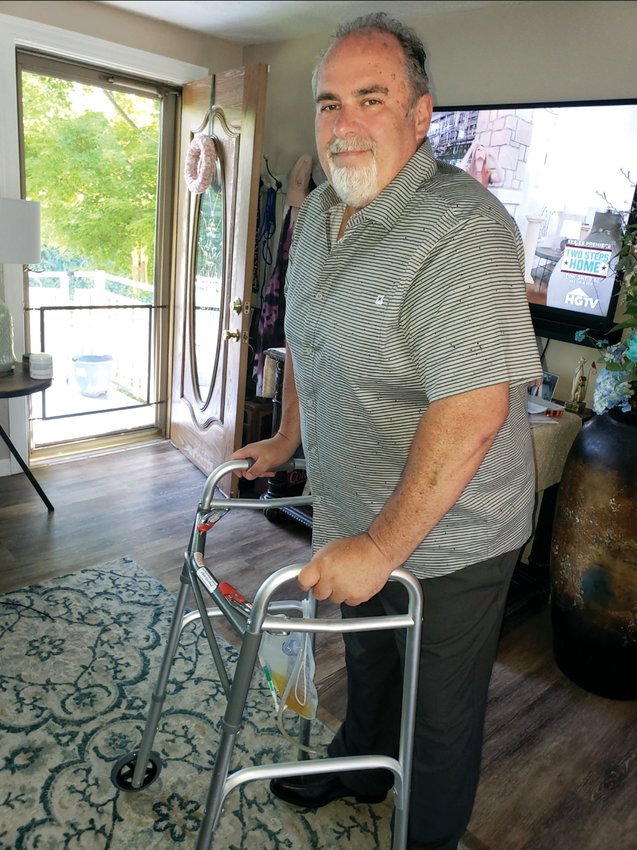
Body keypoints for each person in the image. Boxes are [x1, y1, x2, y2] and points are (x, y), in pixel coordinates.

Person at [233, 12, 542, 850]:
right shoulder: (319, 216)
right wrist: (289, 438)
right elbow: (307, 336)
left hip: (452, 535)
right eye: (330, 104)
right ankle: (360, 763)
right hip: (349, 503)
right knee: (366, 657)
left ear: (420, 114)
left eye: (370, 99)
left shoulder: (462, 230)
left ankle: (424, 833)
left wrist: (382, 548)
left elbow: (473, 412)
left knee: (436, 717)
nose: (344, 123)